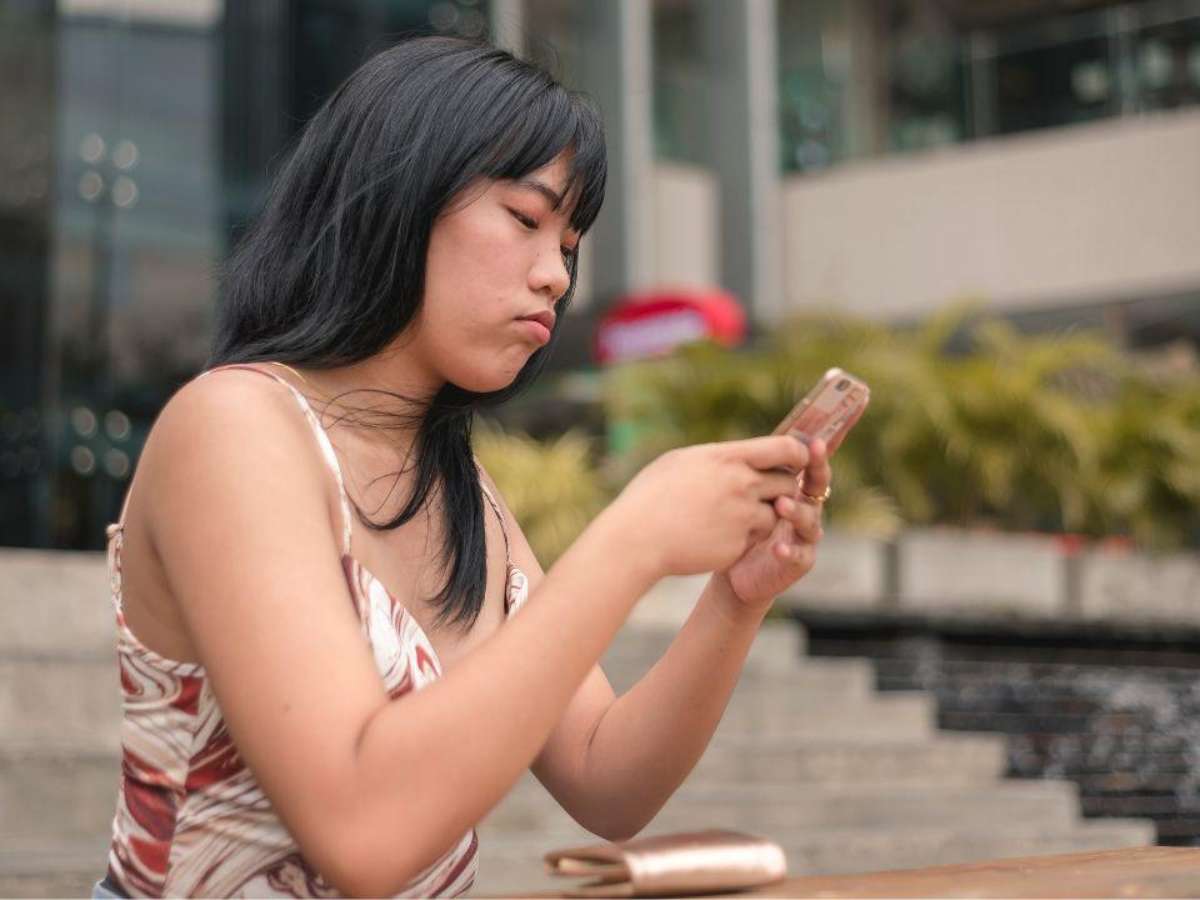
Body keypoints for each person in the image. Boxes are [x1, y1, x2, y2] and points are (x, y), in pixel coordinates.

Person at [96, 36, 839, 899]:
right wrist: (632, 540)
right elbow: (363, 834)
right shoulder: (234, 426)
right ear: (399, 195)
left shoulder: (462, 495)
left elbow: (607, 780)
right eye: (525, 219)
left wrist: (734, 599)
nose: (555, 276)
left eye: (569, 244)